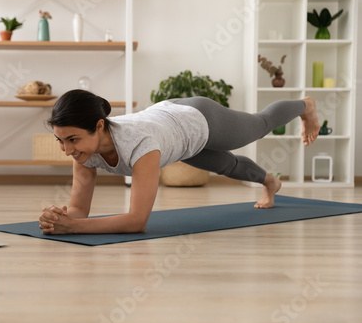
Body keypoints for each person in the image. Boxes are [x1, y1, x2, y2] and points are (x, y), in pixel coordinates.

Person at [38, 89, 320, 235]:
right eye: (60, 141)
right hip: (174, 136)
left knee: (259, 125)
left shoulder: (140, 146)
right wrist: (58, 219)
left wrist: (74, 227)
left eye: (72, 140)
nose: (66, 150)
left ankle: (305, 105)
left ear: (99, 126)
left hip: (197, 118)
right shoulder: (83, 153)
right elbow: (78, 210)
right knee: (226, 166)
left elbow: (137, 221)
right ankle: (270, 182)